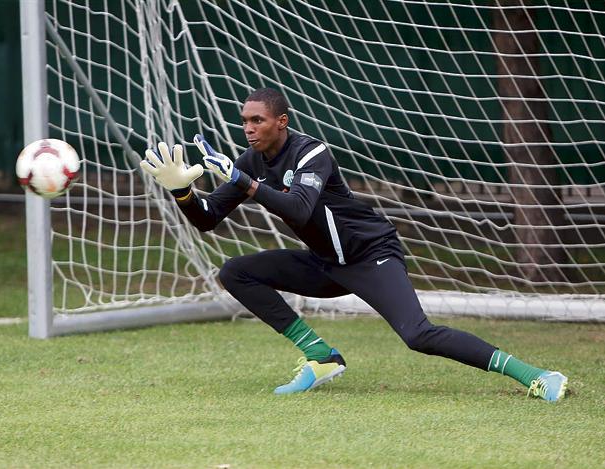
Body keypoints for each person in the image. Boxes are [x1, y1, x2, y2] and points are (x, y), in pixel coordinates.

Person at [140, 87, 568, 401]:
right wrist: (182, 192)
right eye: (245, 121)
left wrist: (243, 182)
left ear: (281, 122)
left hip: (371, 255)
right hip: (325, 263)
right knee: (236, 272)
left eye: (258, 121)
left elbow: (302, 209)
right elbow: (208, 220)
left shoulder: (312, 154)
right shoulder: (249, 164)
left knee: (418, 335)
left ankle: (537, 375)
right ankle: (321, 356)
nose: (248, 128)